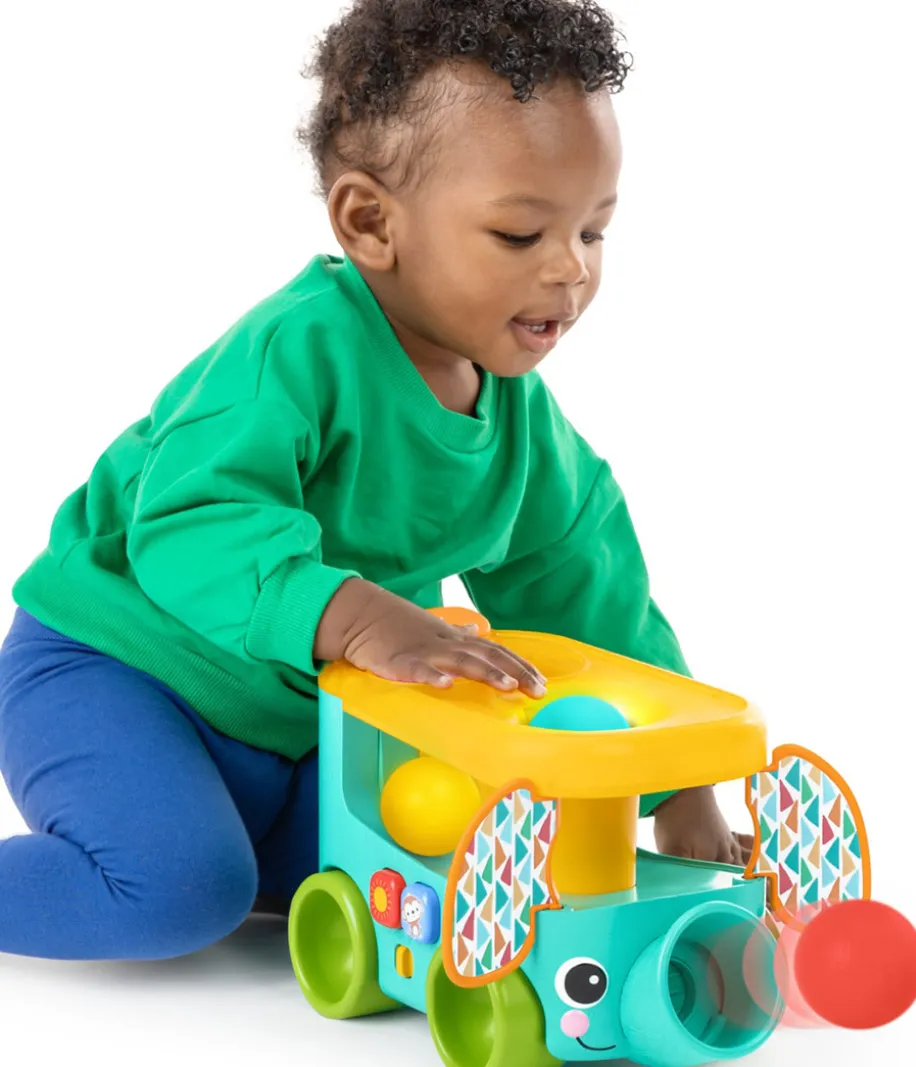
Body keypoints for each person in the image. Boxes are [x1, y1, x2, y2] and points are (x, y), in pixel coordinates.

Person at [0, 0, 751, 962]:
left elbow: (590, 593)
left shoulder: (523, 426)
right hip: (119, 670)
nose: (571, 270)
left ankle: (251, 855)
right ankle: (197, 858)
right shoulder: (296, 349)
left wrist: (680, 786)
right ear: (370, 222)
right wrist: (354, 617)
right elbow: (190, 522)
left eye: (594, 231)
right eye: (520, 235)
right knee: (179, 890)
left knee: (449, 860)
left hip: (300, 725)